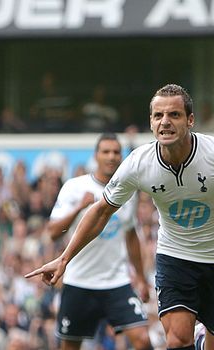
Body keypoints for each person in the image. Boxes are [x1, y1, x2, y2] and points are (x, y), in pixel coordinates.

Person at [26, 84, 214, 350]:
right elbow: (96, 213)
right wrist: (63, 258)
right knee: (177, 339)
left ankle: (204, 339)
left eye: (174, 115)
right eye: (158, 116)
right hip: (171, 256)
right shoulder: (132, 166)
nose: (165, 122)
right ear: (150, 122)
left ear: (190, 120)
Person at [43, 133, 152, 350]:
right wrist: (78, 208)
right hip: (79, 282)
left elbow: (131, 235)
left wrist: (140, 277)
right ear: (96, 156)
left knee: (142, 340)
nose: (111, 156)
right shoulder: (74, 187)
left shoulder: (127, 191)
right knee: (70, 346)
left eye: (115, 152)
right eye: (106, 152)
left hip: (116, 282)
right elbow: (53, 232)